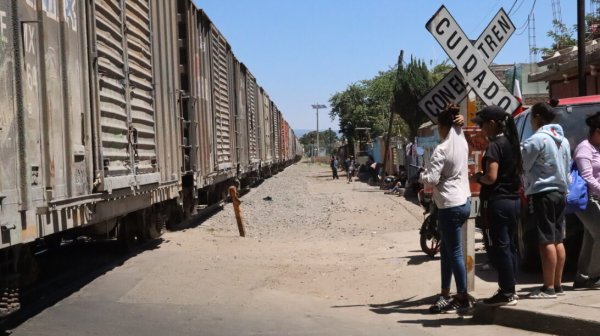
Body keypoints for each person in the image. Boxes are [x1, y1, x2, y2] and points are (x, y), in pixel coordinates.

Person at [420, 104, 472, 314]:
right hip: (464, 201)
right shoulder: (460, 138)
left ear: (442, 127)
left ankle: (462, 296)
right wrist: (457, 117)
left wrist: (422, 176)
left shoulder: (441, 149)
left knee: (455, 253)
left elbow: (431, 180)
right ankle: (445, 293)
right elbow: (459, 125)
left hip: (449, 205)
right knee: (448, 252)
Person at [471, 106, 522, 306]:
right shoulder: (511, 142)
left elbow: (491, 177)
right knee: (509, 245)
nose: (481, 128)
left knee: (499, 247)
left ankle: (507, 292)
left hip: (497, 202)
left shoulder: (495, 146)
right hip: (513, 201)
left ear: (492, 124)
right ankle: (510, 289)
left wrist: (477, 177)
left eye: (482, 124)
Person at [521, 102, 571, 298]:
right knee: (558, 238)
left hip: (542, 192)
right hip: (560, 192)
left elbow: (524, 164)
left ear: (537, 118)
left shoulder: (538, 139)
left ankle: (548, 287)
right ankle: (557, 285)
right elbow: (567, 169)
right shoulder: (564, 140)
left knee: (545, 240)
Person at [573, 111, 600, 289]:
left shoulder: (597, 148)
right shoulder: (584, 148)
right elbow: (587, 177)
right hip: (586, 199)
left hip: (595, 198)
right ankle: (595, 275)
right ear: (597, 131)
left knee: (591, 237)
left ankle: (582, 276)